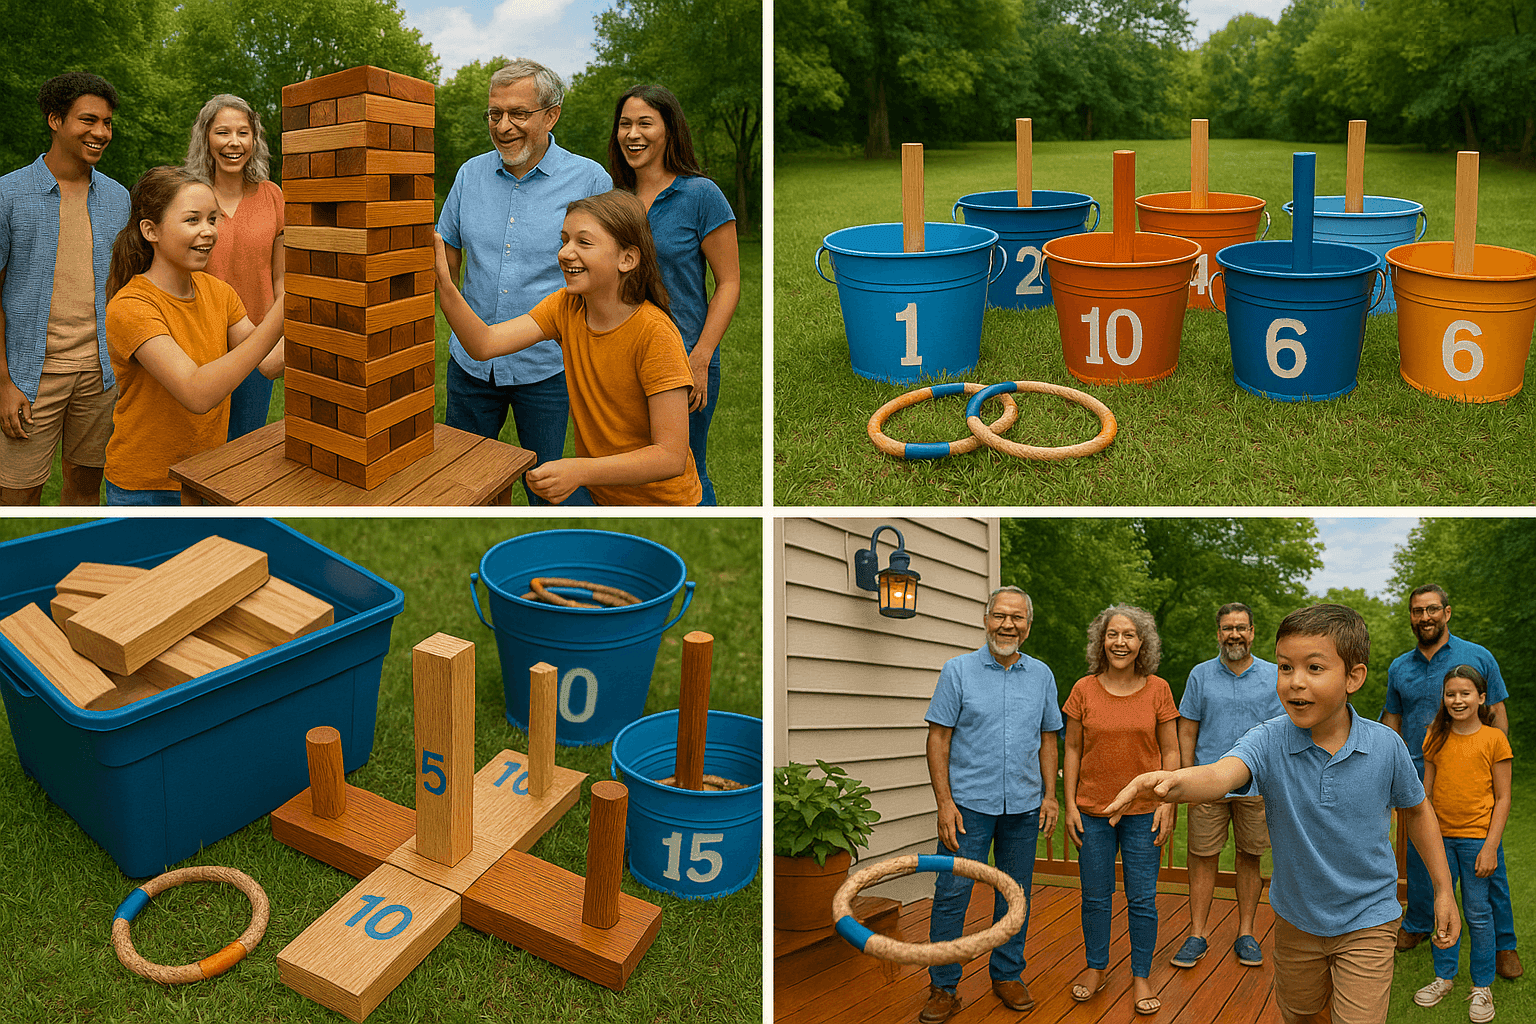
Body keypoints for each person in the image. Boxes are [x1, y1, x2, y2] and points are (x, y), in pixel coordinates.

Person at [1105, 603, 1460, 1024]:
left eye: (1314, 668)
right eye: (1285, 667)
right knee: (1300, 1014)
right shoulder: (1268, 740)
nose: (1295, 682)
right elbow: (1220, 775)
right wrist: (1170, 782)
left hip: (1369, 917)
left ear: (1353, 677)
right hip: (1296, 921)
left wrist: (1443, 889)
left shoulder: (1386, 746)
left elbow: (1418, 813)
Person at [432, 189, 700, 505]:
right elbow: (484, 344)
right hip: (601, 494)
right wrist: (445, 286)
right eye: (564, 240)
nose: (565, 253)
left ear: (627, 259)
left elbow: (670, 456)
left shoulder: (655, 334)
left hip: (662, 506)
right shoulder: (566, 307)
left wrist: (580, 471)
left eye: (583, 242)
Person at [436, 58, 611, 504]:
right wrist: (453, 301)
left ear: (551, 115)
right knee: (462, 485)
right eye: (495, 114)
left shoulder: (590, 179)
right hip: (471, 367)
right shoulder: (469, 174)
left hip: (548, 367)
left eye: (518, 113)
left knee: (549, 486)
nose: (503, 126)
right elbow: (447, 248)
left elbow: (607, 271)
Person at [919, 586, 1061, 1023]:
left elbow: (1048, 738)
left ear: (1028, 627)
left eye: (1017, 618)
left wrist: (1050, 796)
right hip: (968, 808)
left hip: (1023, 808)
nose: (1007, 625)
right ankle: (943, 986)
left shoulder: (1042, 676)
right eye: (1000, 616)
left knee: (1015, 895)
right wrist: (944, 803)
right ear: (986, 620)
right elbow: (938, 738)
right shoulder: (957, 671)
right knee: (952, 894)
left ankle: (1007, 974)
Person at [102, 166, 284, 504]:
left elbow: (270, 363)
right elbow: (196, 392)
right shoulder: (131, 306)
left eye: (213, 219)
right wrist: (283, 310)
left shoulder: (219, 292)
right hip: (146, 488)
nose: (209, 231)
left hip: (204, 477)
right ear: (150, 230)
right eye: (192, 220)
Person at [0, 72, 130, 505]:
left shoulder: (119, 199)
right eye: (88, 120)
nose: (100, 133)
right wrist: (3, 383)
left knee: (85, 489)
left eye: (107, 123)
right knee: (17, 496)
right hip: (29, 377)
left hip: (101, 375)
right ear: (55, 120)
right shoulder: (8, 195)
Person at [608, 84, 739, 505]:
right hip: (621, 357)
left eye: (645, 123)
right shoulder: (613, 201)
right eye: (625, 124)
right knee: (627, 473)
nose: (633, 134)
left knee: (686, 471)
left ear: (669, 130)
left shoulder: (701, 195)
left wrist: (700, 357)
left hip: (683, 358)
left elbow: (729, 283)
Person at [1382, 584, 1519, 979]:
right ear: (1411, 616)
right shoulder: (1399, 668)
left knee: (1488, 868)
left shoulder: (1478, 656)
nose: (1424, 617)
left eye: (1432, 609)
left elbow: (1498, 716)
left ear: (1447, 612)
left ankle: (1504, 944)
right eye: (1417, 611)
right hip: (1418, 779)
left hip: (1472, 782)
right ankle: (1418, 923)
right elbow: (1392, 721)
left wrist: (1490, 769)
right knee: (1422, 860)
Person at [1063, 604, 1180, 1016]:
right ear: (1101, 641)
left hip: (1144, 811)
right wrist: (1070, 804)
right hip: (1093, 811)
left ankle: (1141, 974)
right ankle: (1096, 967)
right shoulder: (1083, 689)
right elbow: (1072, 748)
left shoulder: (1158, 689)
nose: (1120, 642)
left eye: (1129, 635)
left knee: (1143, 899)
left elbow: (1171, 751)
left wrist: (1166, 802)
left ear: (1142, 643)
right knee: (1095, 897)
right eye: (1113, 634)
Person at [1172, 601, 1283, 970]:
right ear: (1218, 634)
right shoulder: (1200, 675)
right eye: (1227, 628)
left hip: (1257, 785)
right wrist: (1187, 777)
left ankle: (1246, 933)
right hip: (1208, 784)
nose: (1234, 634)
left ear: (1252, 632)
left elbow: (1283, 731)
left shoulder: (1273, 675)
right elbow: (1187, 729)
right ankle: (1197, 934)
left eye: (1241, 628)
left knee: (1250, 857)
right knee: (1202, 857)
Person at [183, 93, 284, 440]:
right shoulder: (187, 196)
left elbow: (281, 276)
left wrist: (278, 334)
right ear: (205, 137)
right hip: (199, 345)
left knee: (245, 443)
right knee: (199, 447)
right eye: (223, 132)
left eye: (243, 132)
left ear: (255, 140)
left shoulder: (272, 196)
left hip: (258, 340)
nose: (234, 142)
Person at [1414, 665, 1511, 1023]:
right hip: (1440, 840)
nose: (1457, 700)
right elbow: (1425, 793)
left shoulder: (1494, 739)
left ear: (1481, 698)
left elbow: (1503, 798)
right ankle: (1444, 977)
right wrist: (1425, 836)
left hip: (1476, 841)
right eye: (1451, 694)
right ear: (1443, 698)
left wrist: (1490, 847)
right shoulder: (1434, 737)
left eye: (1465, 693)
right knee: (1444, 907)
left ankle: (1482, 986)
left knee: (1478, 913)